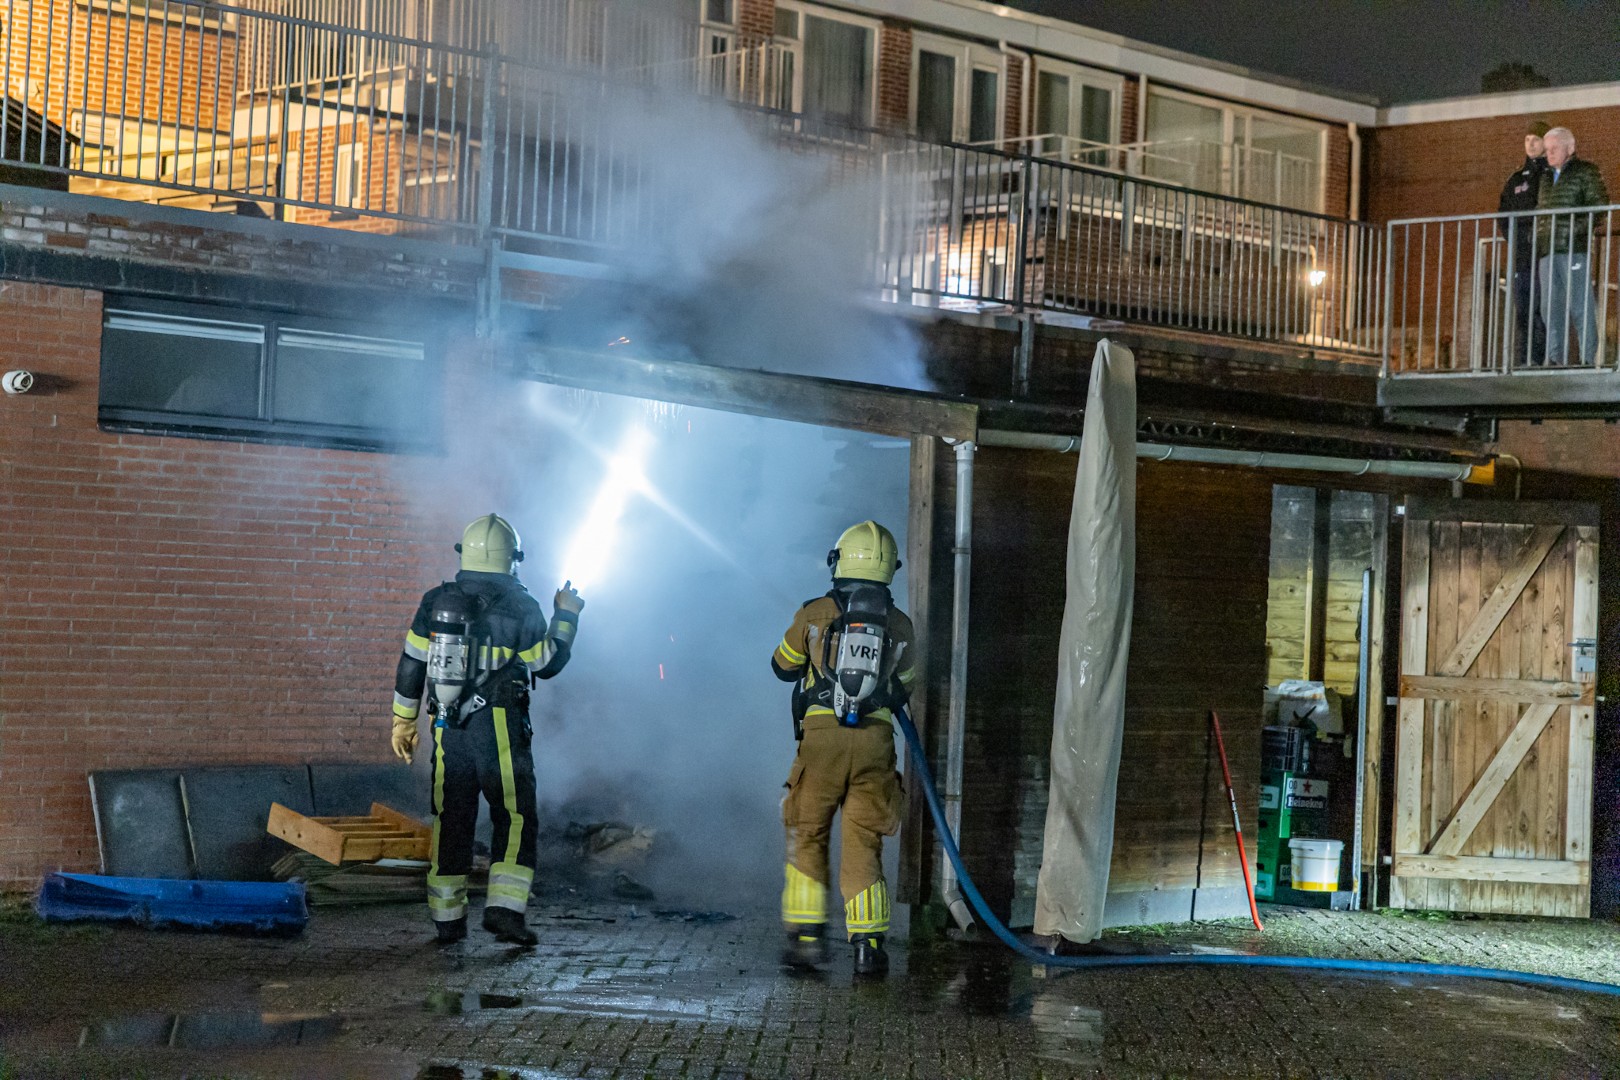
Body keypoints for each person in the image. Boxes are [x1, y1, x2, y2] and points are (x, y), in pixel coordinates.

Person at [390, 513, 584, 946]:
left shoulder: (434, 601)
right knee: (514, 815)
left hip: (446, 725)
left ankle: (447, 921)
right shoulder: (522, 606)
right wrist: (566, 616)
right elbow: (547, 663)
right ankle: (504, 912)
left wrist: (403, 722)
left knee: (450, 819)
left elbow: (411, 665)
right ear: (511, 559)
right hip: (498, 723)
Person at [771, 520, 917, 976]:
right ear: (888, 567)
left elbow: (782, 665)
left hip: (822, 743)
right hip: (875, 743)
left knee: (807, 829)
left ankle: (807, 937)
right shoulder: (900, 623)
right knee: (864, 840)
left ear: (839, 561)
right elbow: (907, 686)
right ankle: (868, 946)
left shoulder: (814, 612)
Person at [1536, 127, 1610, 365]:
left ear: (1570, 147)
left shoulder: (1586, 171)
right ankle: (1555, 358)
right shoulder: (1546, 178)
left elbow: (1599, 206)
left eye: (1554, 148)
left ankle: (1588, 358)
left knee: (1580, 305)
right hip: (1548, 249)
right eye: (1547, 150)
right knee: (1550, 308)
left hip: (1573, 249)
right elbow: (1542, 210)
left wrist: (1573, 230)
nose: (1549, 154)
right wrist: (1539, 234)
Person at [1497, 120, 1549, 366]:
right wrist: (1516, 239)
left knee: (1542, 311)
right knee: (1523, 312)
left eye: (1536, 139)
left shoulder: (1550, 175)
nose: (1530, 144)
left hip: (1544, 254)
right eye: (1527, 139)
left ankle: (1541, 360)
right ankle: (1524, 360)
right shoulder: (1516, 179)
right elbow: (1503, 214)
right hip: (1521, 257)